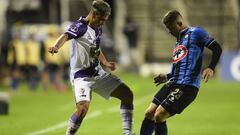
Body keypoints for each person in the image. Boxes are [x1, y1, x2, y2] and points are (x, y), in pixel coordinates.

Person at [48, 1, 134, 135]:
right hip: (81, 76)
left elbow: (95, 49)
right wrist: (56, 47)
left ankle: (127, 133)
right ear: (94, 14)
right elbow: (65, 36)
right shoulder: (80, 26)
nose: (103, 23)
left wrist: (105, 63)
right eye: (101, 19)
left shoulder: (98, 28)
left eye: (105, 20)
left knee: (127, 95)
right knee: (82, 109)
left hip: (97, 73)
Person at [140, 10, 222, 135]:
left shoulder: (196, 33)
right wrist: (167, 76)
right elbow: (182, 68)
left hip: (187, 86)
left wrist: (211, 67)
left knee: (159, 115)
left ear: (179, 23)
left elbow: (217, 47)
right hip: (173, 82)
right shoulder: (179, 40)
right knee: (149, 113)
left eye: (170, 28)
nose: (169, 31)